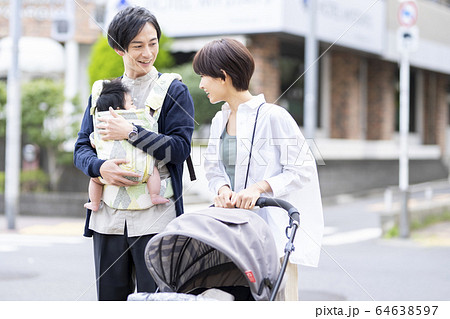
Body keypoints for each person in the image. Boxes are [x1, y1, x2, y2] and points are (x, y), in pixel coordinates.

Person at [73, 6, 194, 301]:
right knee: (110, 301)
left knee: (156, 303)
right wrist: (100, 168)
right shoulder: (102, 91)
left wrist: (131, 132)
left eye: (153, 43)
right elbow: (81, 147)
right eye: (137, 45)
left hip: (156, 218)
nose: (147, 53)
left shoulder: (173, 90)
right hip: (108, 220)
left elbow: (179, 149)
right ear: (118, 48)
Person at [193, 38, 324, 300]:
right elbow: (213, 168)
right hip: (233, 236)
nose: (200, 84)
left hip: (270, 237)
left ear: (223, 76)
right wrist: (221, 188)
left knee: (275, 302)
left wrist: (260, 188)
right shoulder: (219, 120)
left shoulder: (273, 116)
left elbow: (302, 169)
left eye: (203, 76)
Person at [84, 79, 168, 212]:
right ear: (118, 110)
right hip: (140, 170)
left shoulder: (100, 126)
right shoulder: (138, 122)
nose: (134, 107)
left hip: (108, 172)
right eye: (131, 103)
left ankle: (94, 203)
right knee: (153, 171)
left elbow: (93, 142)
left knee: (95, 179)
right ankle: (154, 195)